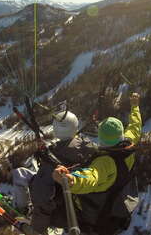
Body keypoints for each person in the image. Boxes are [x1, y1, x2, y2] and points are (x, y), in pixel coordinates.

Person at [52, 93, 142, 235]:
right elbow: (135, 127)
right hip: (121, 201)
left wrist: (71, 180)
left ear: (101, 139)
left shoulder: (105, 163)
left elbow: (91, 177)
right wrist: (135, 106)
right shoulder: (128, 143)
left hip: (99, 217)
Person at [12, 110, 97, 234]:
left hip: (62, 212)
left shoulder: (54, 158)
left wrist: (37, 229)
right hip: (82, 205)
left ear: (56, 130)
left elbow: (42, 195)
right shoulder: (88, 146)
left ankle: (23, 209)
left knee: (19, 174)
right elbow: (71, 150)